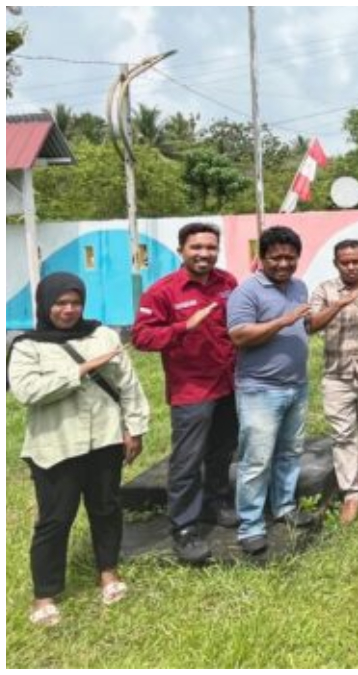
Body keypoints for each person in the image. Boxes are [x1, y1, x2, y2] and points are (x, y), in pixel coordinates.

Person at [8, 273, 150, 626]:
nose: (68, 310)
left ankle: (108, 574)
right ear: (45, 305)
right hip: (55, 445)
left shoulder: (102, 334)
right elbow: (27, 392)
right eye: (60, 303)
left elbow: (127, 383)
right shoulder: (28, 346)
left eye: (75, 303)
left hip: (104, 438)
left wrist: (135, 428)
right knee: (55, 520)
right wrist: (83, 368)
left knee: (106, 508)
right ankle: (45, 595)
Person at [131, 222, 238, 565]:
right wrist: (183, 327)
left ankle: (216, 503)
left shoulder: (227, 283)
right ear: (182, 250)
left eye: (210, 247)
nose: (204, 253)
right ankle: (185, 526)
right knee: (187, 461)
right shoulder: (163, 292)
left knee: (223, 451)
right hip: (191, 389)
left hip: (229, 383)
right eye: (197, 247)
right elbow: (142, 337)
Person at [226, 225, 317, 555]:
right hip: (259, 390)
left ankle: (284, 507)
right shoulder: (247, 292)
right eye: (276, 257)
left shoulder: (299, 287)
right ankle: (250, 524)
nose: (283, 264)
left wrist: (329, 310)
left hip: (297, 386)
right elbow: (239, 335)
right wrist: (284, 320)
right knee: (257, 459)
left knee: (290, 453)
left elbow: (306, 326)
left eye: (290, 258)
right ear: (261, 258)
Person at [308, 239, 358, 524]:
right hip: (337, 374)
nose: (351, 267)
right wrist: (338, 305)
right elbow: (311, 325)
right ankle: (350, 493)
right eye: (345, 262)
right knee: (342, 434)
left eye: (356, 261)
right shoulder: (324, 290)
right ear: (336, 263)